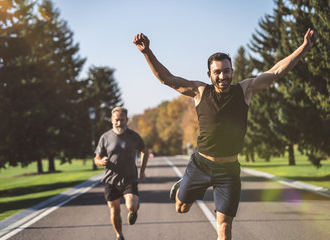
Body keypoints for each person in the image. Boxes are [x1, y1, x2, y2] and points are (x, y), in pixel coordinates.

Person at [133, 29, 318, 240]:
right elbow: (167, 79)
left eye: (226, 71)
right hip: (200, 165)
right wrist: (147, 52)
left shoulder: (245, 90)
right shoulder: (200, 91)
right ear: (210, 74)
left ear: (232, 71)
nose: (223, 76)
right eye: (217, 72)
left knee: (224, 226)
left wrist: (304, 47)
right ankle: (182, 187)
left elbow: (276, 72)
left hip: (229, 171)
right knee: (181, 208)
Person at [94, 107, 149, 240]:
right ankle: (119, 235)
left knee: (132, 205)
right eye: (116, 120)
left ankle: (133, 211)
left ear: (127, 120)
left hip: (129, 178)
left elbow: (144, 151)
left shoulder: (133, 136)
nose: (119, 123)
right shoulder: (105, 137)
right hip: (110, 180)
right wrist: (101, 161)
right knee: (115, 210)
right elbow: (96, 158)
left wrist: (142, 170)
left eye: (122, 120)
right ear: (112, 120)